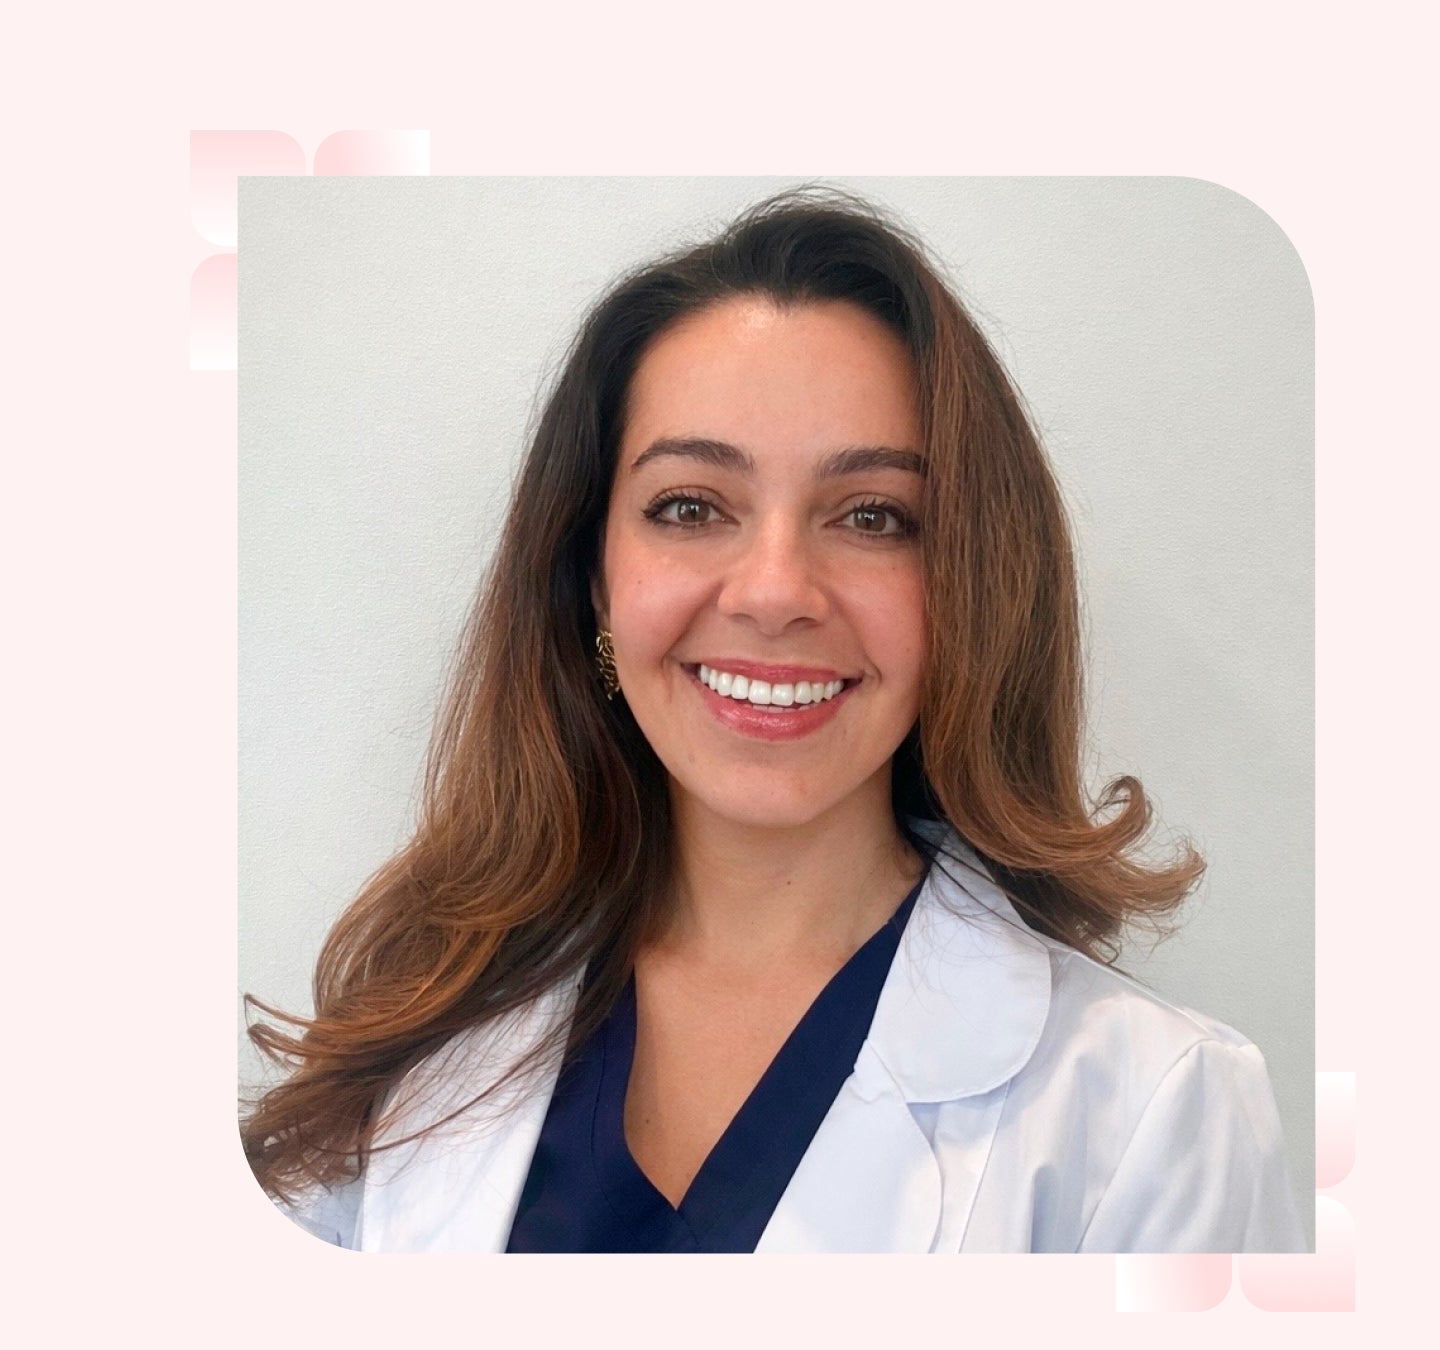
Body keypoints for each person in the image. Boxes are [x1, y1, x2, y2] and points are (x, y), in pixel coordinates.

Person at [242, 188, 1304, 1253]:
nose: (774, 590)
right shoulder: (417, 1026)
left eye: (875, 517)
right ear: (592, 580)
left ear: (970, 586)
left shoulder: (1158, 1115)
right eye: (691, 507)